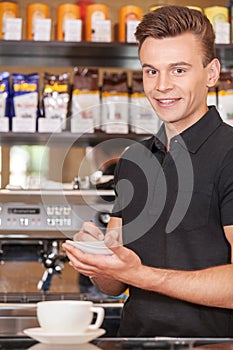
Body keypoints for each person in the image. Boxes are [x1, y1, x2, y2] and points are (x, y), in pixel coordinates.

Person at [63, 5, 233, 337]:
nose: (161, 86)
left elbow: (137, 274)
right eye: (151, 71)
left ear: (211, 73)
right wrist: (96, 257)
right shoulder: (133, 159)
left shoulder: (229, 154)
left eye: (178, 70)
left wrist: (142, 275)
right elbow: (114, 284)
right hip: (135, 342)